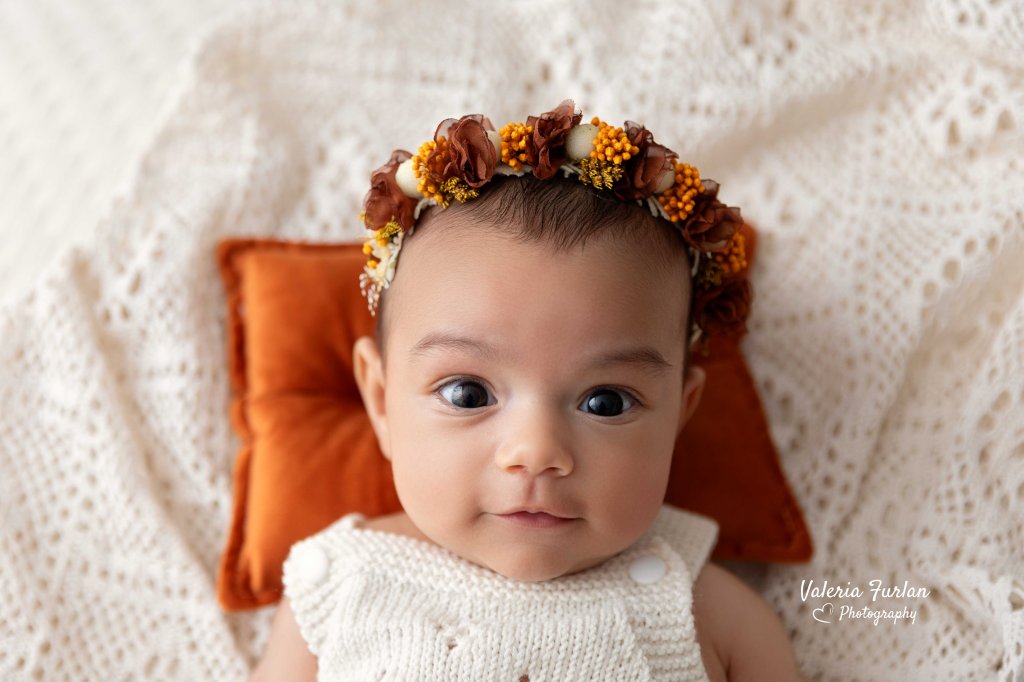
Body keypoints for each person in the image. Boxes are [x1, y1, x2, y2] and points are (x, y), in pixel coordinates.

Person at [251, 101, 808, 681]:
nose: (537, 451)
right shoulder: (340, 588)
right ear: (379, 400)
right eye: (467, 394)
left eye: (606, 402)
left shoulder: (719, 618)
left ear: (678, 415)